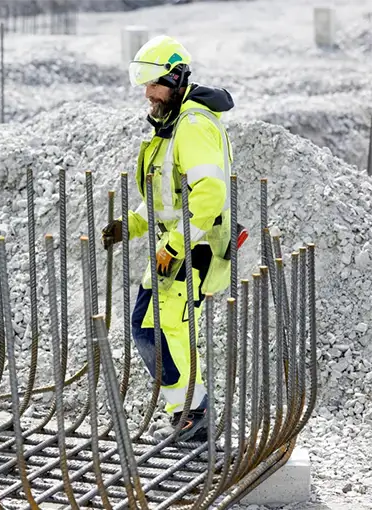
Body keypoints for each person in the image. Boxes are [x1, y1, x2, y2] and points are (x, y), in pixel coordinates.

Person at [101, 35, 247, 442]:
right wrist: (129, 225)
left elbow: (209, 195)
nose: (148, 93)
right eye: (145, 84)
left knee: (163, 332)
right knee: (151, 328)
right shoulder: (173, 125)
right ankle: (189, 411)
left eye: (155, 84)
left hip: (193, 248)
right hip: (178, 245)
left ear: (178, 79)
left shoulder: (194, 126)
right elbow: (168, 199)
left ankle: (195, 415)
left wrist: (175, 245)